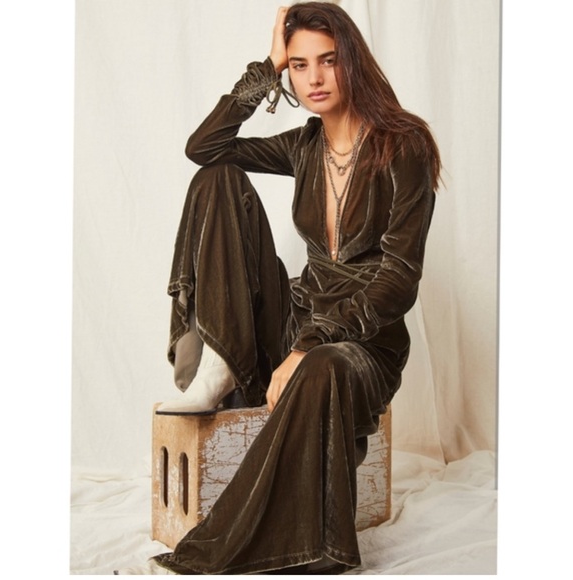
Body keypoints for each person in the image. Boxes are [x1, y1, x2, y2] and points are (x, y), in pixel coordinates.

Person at [115, 1, 441, 574]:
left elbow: (399, 279)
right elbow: (203, 148)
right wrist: (265, 69)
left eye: (328, 60)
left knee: (324, 367)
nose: (314, 78)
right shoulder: (305, 145)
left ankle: (295, 546)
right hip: (296, 317)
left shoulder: (403, 144)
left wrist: (308, 345)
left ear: (353, 62)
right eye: (299, 64)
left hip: (362, 343)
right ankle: (218, 362)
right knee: (217, 177)